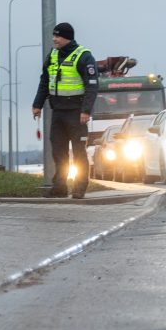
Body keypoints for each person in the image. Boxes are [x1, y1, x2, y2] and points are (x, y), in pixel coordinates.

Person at [32, 22, 98, 199]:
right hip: (58, 111)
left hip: (76, 112)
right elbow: (44, 81)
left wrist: (86, 111)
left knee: (78, 152)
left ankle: (79, 187)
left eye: (58, 36)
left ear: (67, 37)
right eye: (54, 35)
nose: (54, 39)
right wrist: (37, 104)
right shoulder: (53, 55)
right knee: (58, 151)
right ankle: (60, 187)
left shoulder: (84, 56)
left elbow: (92, 86)